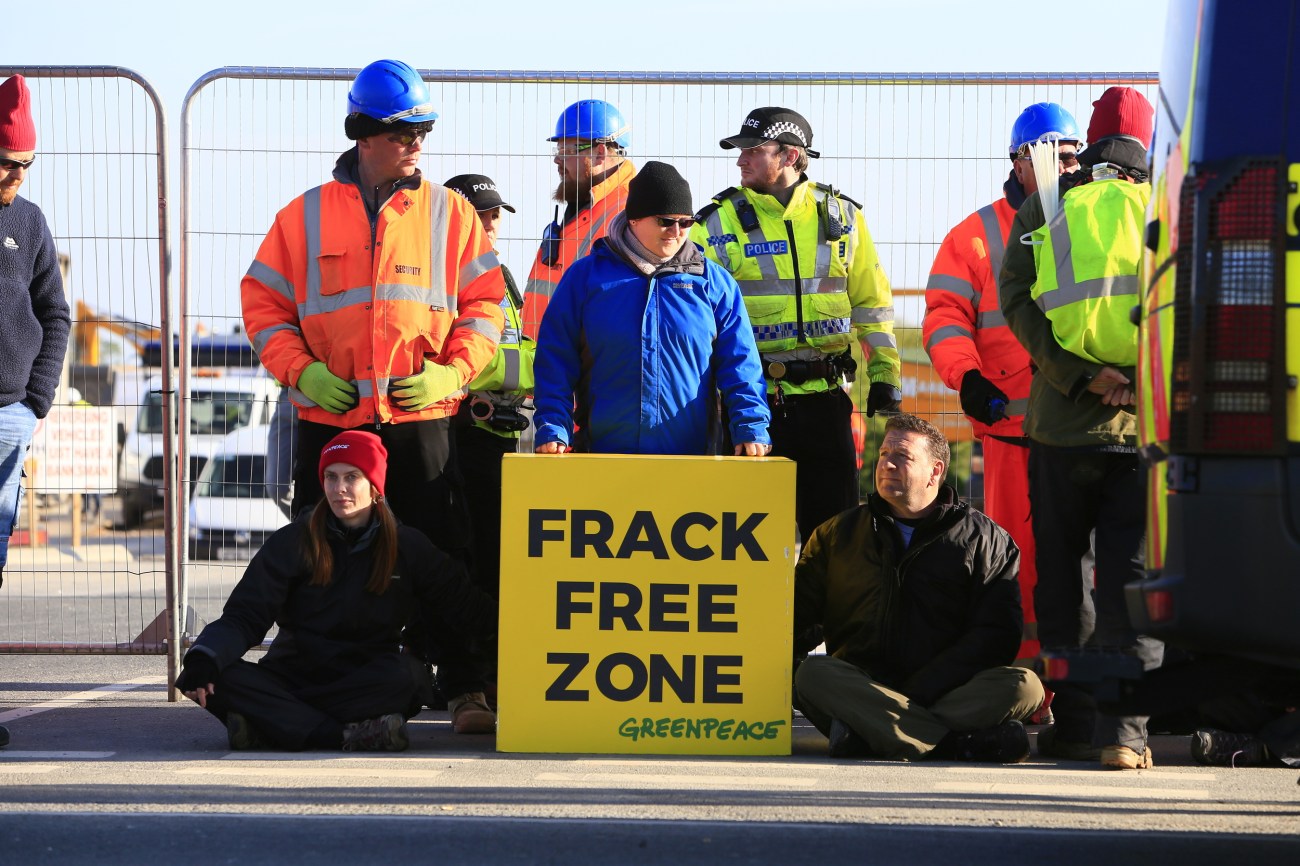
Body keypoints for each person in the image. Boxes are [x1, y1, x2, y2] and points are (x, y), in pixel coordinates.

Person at [240, 58, 505, 563]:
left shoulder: (453, 214)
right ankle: (328, 646)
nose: (418, 143)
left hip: (423, 421)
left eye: (423, 130)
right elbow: (263, 308)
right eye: (405, 132)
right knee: (324, 565)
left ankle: (433, 648)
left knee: (436, 562)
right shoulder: (302, 216)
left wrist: (453, 374)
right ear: (364, 135)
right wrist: (304, 373)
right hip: (332, 422)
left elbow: (485, 306)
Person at [999, 86, 1163, 770]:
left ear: (1087, 142)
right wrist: (1135, 377)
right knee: (1131, 579)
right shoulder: (1166, 207)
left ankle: (1072, 725)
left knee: (1064, 578)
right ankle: (1124, 735)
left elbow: (1016, 300)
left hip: (1062, 428)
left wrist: (1076, 375)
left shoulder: (1046, 205)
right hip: (1140, 426)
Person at [175, 430, 496, 752]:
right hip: (292, 675)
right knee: (218, 678)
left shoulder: (408, 545)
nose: (339, 488)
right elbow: (245, 615)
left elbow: (465, 606)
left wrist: (525, 638)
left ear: (375, 487)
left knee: (410, 679)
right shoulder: (293, 540)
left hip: (366, 677)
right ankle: (345, 734)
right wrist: (205, 656)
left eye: (351, 477)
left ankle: (271, 727)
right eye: (330, 477)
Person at [690, 107, 901, 541]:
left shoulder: (843, 217)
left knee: (837, 537)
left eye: (752, 150)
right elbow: (692, 317)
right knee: (751, 538)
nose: (740, 160)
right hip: (752, 405)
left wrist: (885, 373)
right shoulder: (716, 222)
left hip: (828, 403)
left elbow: (871, 303)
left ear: (789, 155)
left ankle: (825, 613)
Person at [923, 103, 1082, 662]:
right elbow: (945, 317)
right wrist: (966, 378)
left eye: (1072, 156)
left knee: (1077, 563)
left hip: (1080, 427)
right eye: (1053, 156)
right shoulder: (974, 237)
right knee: (1015, 562)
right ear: (1019, 161)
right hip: (1011, 429)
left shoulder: (1089, 219)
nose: (1066, 168)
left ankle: (1075, 684)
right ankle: (1024, 683)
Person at [793, 414, 1043, 762]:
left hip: (947, 691)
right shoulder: (838, 533)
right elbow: (798, 616)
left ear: (935, 471)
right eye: (883, 454)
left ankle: (870, 736)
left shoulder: (987, 540)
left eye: (903, 456)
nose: (887, 464)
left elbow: (996, 636)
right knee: (812, 674)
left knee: (1025, 686)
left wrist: (922, 689)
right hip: (862, 685)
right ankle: (957, 744)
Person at [532, 161, 771, 457]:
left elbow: (740, 363)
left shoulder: (714, 283)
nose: (676, 231)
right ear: (634, 219)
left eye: (685, 222)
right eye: (665, 220)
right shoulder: (585, 278)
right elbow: (555, 357)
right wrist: (553, 424)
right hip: (602, 458)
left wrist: (751, 425)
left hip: (691, 461)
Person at [0, 75, 72, 751]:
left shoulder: (29, 222)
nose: (12, 176)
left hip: (9, 421)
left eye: (23, 165)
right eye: (3, 162)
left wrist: (36, 400)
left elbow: (55, 313)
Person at [521, 99, 635, 339]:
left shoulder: (628, 212)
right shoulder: (584, 205)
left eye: (567, 151)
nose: (557, 160)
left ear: (600, 153)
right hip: (547, 363)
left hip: (581, 369)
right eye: (558, 150)